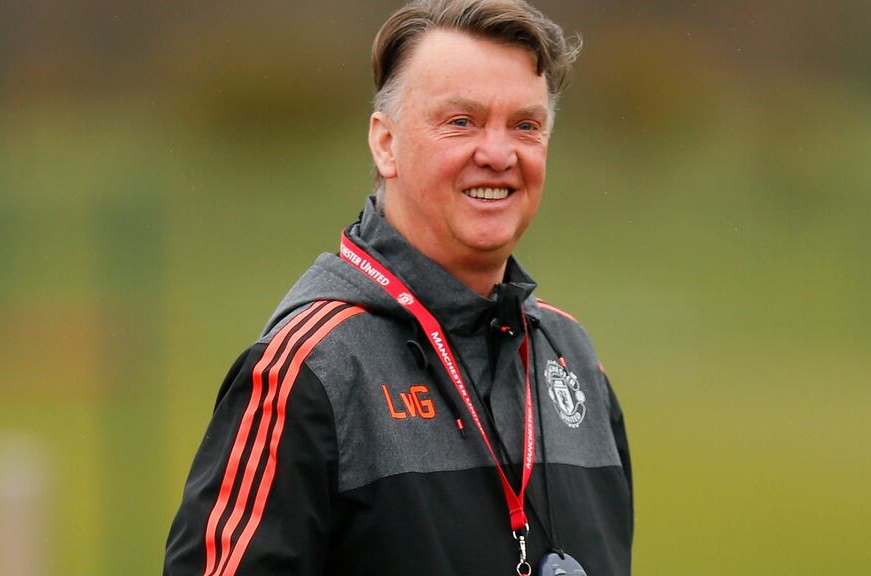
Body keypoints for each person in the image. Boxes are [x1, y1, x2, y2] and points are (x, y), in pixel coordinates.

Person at [163, 1, 633, 574]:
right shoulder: (312, 371)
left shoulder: (572, 358)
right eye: (461, 122)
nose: (497, 153)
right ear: (385, 144)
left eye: (525, 126)